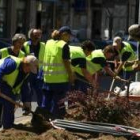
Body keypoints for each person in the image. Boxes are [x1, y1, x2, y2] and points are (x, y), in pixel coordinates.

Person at [42, 26, 75, 118]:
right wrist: (71, 75)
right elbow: (66, 62)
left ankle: (44, 119)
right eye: (69, 36)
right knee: (58, 102)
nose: (69, 38)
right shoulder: (63, 45)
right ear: (64, 35)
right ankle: (55, 121)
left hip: (47, 78)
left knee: (46, 101)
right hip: (60, 80)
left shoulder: (48, 42)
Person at [0, 55, 38, 129]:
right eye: (30, 69)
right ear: (26, 64)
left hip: (8, 86)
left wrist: (26, 103)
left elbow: (25, 88)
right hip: (2, 82)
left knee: (10, 104)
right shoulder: (12, 63)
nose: (30, 71)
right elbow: (0, 71)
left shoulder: (26, 73)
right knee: (8, 103)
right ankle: (8, 127)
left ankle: (8, 127)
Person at [0, 33, 26, 128]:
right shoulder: (3, 52)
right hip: (1, 83)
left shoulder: (22, 54)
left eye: (22, 43)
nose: (20, 45)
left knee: (9, 108)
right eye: (19, 42)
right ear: (14, 42)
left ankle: (8, 128)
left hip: (12, 86)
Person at [22, 28, 45, 110]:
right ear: (30, 36)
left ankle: (41, 109)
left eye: (39, 35)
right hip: (29, 72)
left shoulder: (43, 45)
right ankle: (27, 109)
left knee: (40, 91)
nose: (37, 37)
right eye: (35, 35)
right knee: (28, 91)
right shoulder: (25, 45)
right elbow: (22, 57)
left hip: (40, 72)